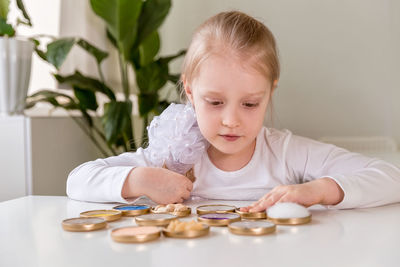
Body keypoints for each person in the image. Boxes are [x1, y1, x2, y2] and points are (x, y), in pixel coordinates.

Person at [67, 11, 400, 211]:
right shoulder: (173, 154)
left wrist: (318, 190)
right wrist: (139, 179)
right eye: (214, 102)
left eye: (250, 104)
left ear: (270, 92)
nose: (231, 120)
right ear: (190, 90)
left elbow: (391, 178)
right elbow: (77, 181)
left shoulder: (286, 154)